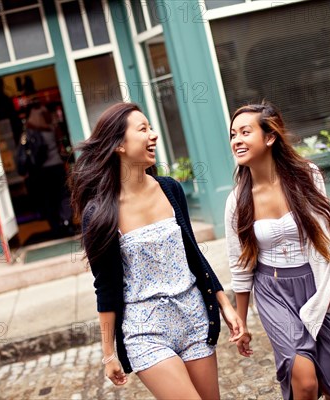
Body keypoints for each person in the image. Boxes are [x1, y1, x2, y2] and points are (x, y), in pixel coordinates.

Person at [70, 102, 243, 399]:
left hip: (194, 317)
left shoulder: (170, 189)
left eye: (151, 127)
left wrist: (225, 304)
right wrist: (109, 352)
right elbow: (106, 287)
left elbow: (193, 255)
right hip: (145, 330)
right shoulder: (100, 213)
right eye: (143, 129)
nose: (154, 135)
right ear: (119, 145)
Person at [224, 101, 330, 400]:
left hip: (314, 284)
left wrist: (327, 291)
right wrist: (242, 323)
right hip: (272, 290)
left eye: (245, 132)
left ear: (270, 137)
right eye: (233, 134)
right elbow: (240, 266)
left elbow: (325, 242)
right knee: (304, 380)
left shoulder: (307, 176)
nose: (236, 140)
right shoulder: (237, 202)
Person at [25, 99, 74, 238]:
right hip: (57, 166)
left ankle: (56, 226)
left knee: (48, 199)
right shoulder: (52, 128)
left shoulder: (31, 130)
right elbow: (62, 146)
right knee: (63, 196)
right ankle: (66, 221)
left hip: (42, 171)